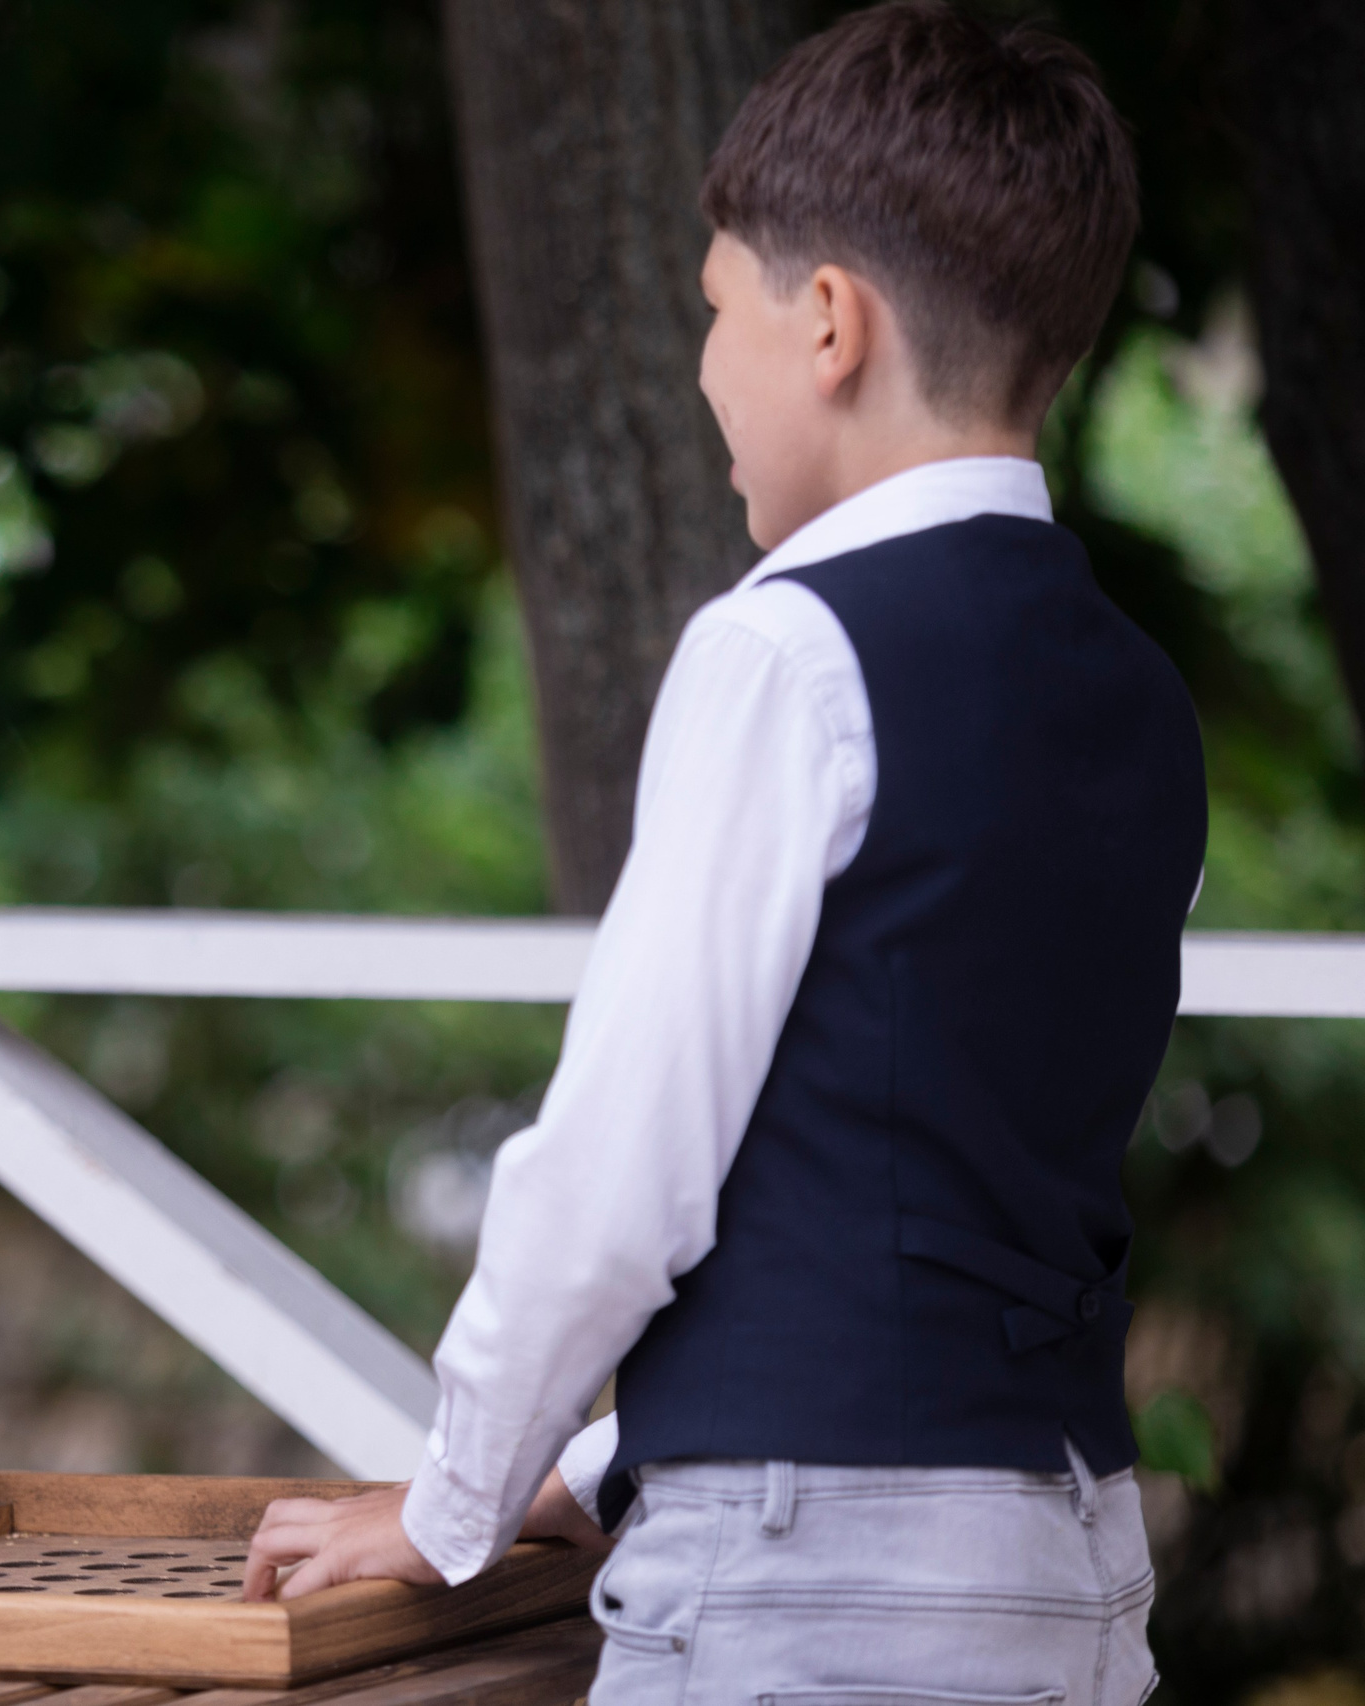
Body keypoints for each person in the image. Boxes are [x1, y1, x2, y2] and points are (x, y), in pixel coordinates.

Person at [242, 6, 1202, 1702]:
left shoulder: (789, 649)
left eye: (713, 312)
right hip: (1070, 1565)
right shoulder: (1136, 694)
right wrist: (596, 1469)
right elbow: (924, 1179)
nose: (702, 373)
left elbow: (621, 1172)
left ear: (828, 320)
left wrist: (453, 1497)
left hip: (812, 1591)